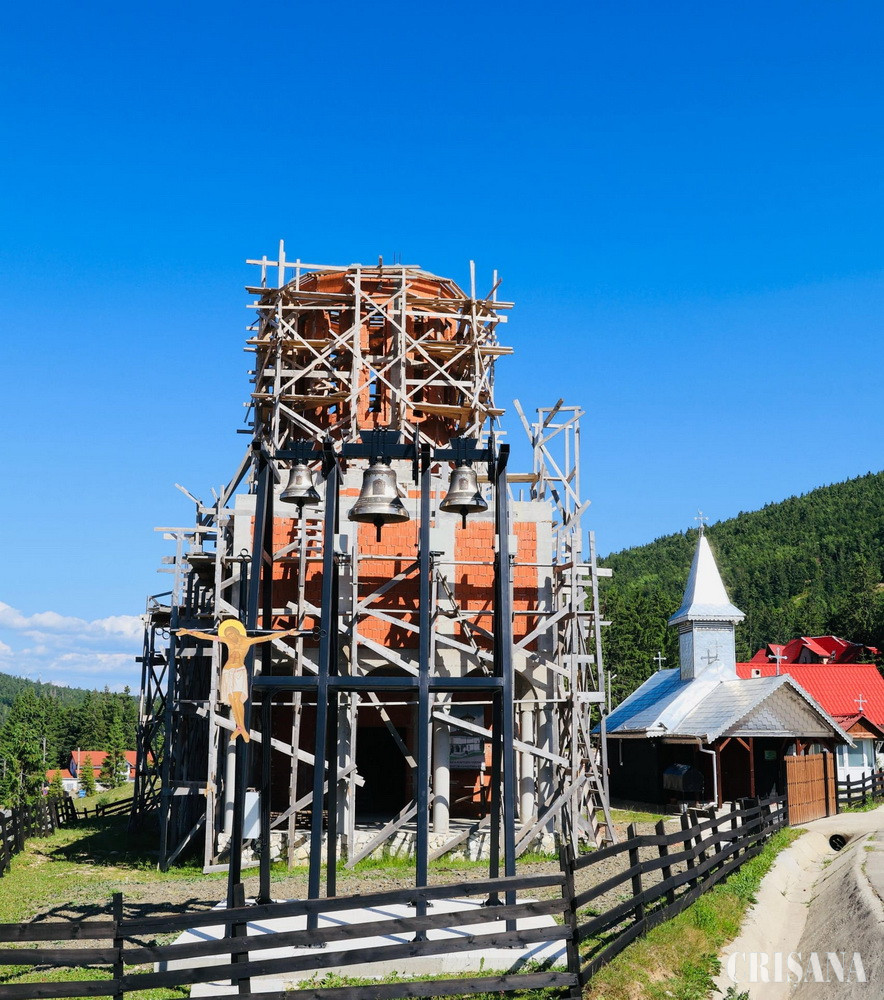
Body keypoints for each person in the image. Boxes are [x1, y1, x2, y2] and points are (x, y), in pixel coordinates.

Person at [176, 619, 300, 742]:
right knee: (232, 699)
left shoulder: (248, 641)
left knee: (237, 699)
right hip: (228, 671)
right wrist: (188, 632)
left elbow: (267, 637)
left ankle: (241, 727)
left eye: (230, 633)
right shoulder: (227, 641)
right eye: (227, 634)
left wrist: (287, 633)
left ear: (236, 632)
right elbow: (206, 636)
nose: (229, 636)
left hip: (239, 671)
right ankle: (240, 727)